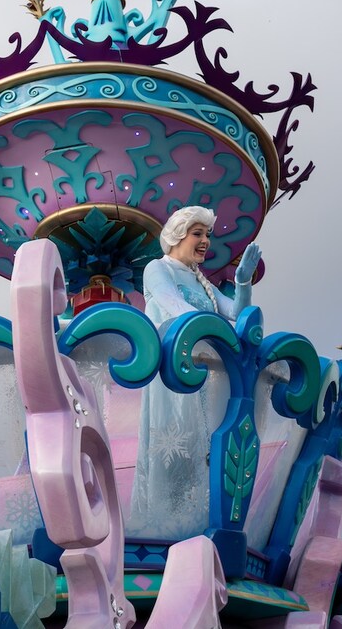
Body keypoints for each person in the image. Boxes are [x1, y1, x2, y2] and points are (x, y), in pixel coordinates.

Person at [129, 205, 261, 540]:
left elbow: (235, 311)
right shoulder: (159, 269)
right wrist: (216, 333)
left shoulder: (203, 283)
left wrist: (242, 281)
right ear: (177, 234)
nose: (205, 241)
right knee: (177, 445)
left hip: (205, 375)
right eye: (197, 233)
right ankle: (166, 526)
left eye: (207, 235)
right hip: (174, 374)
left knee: (204, 451)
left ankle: (197, 524)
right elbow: (175, 306)